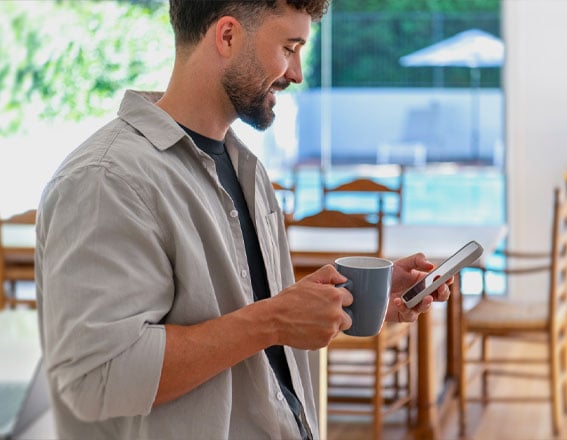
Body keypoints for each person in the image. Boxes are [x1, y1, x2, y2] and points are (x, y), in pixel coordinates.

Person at [35, 1, 452, 439]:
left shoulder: (245, 168)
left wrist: (354, 306)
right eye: (289, 47)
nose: (297, 73)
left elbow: (241, 320)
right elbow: (95, 379)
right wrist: (273, 319)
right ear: (228, 36)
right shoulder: (107, 180)